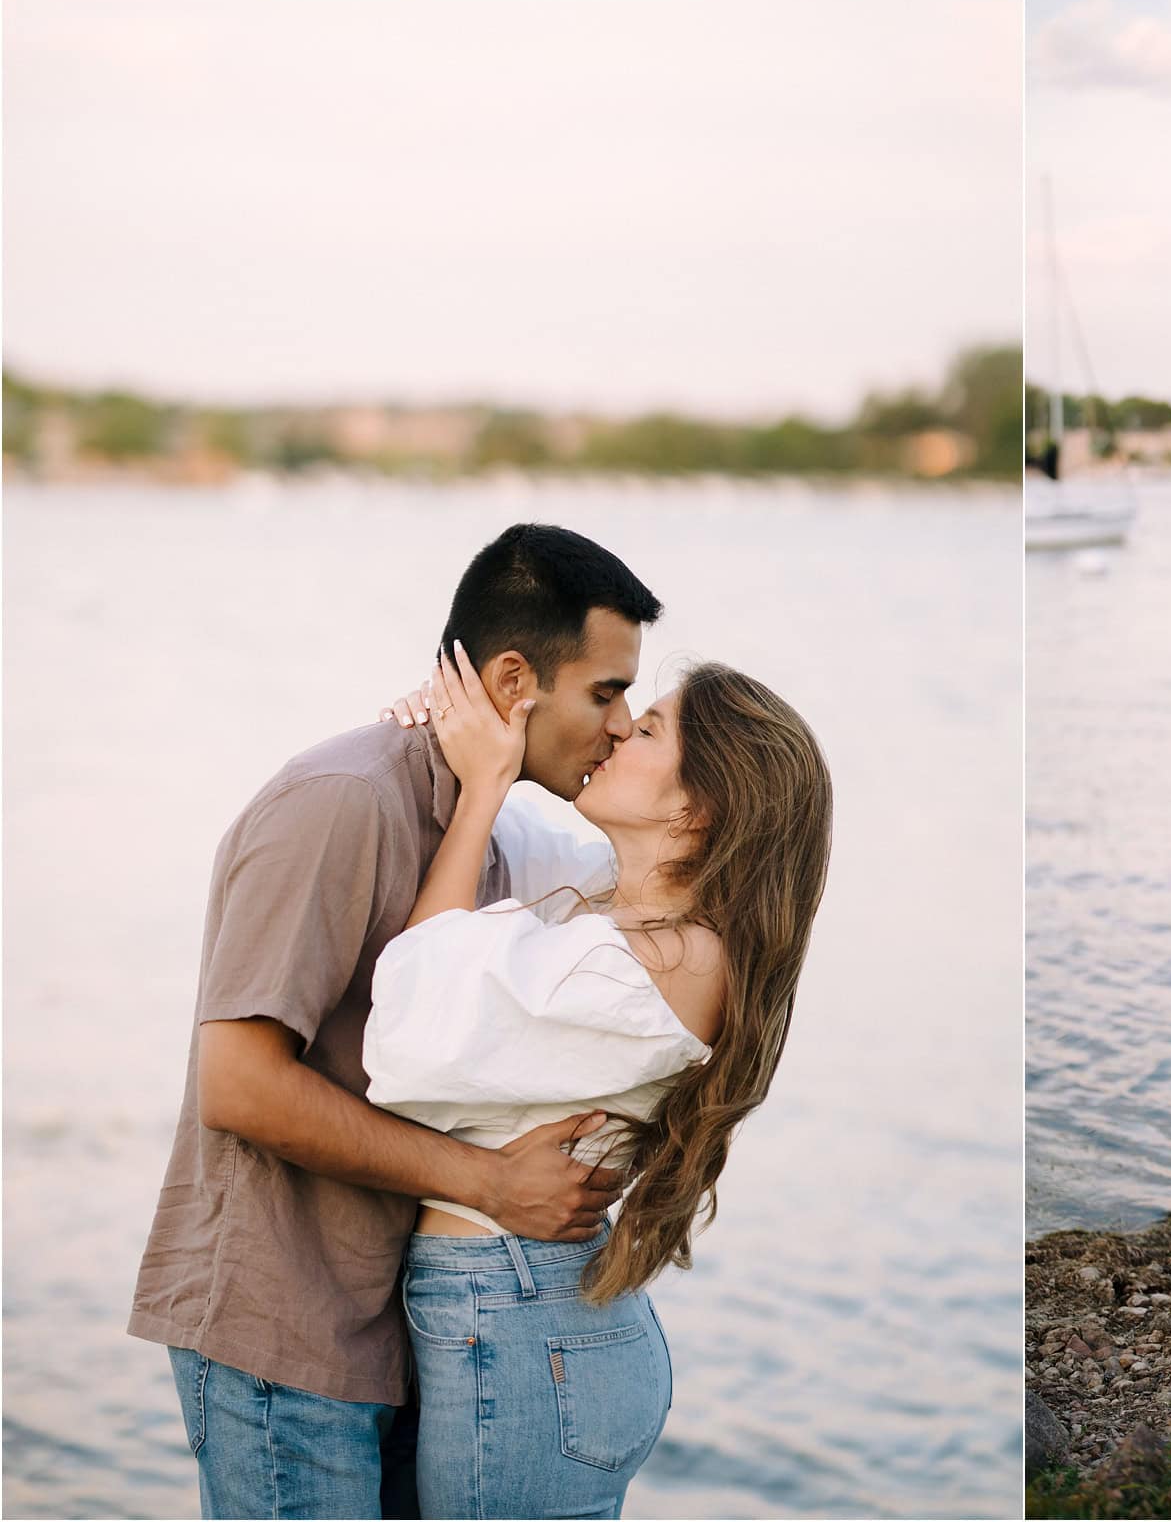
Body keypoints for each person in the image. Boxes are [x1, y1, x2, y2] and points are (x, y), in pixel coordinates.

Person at [129, 523, 664, 1519]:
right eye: (605, 692)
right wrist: (492, 1185)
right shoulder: (344, 802)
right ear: (515, 680)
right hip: (284, 1333)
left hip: (403, 1334)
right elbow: (237, 1084)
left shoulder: (491, 821)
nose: (623, 726)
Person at [365, 647, 831, 1517]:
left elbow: (404, 1036)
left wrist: (480, 788)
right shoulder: (621, 911)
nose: (618, 728)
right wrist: (448, 739)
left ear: (695, 809)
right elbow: (503, 840)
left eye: (649, 727)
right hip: (519, 1310)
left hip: (522, 1317)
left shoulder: (663, 963)